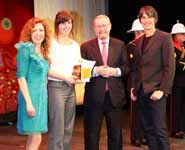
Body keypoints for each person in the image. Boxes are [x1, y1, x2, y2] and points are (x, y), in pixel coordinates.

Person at [80, 14, 129, 150]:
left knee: (115, 136)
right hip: (93, 98)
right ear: (94, 28)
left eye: (104, 25)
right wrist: (96, 70)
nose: (102, 29)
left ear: (110, 26)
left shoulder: (120, 45)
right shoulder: (85, 46)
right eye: (98, 26)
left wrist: (115, 71)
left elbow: (126, 68)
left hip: (115, 98)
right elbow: (81, 71)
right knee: (91, 136)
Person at [130, 5, 175, 150]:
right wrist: (133, 88)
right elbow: (136, 69)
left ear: (154, 19)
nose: (146, 20)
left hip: (157, 90)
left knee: (159, 129)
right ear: (140, 20)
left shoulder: (165, 37)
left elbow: (169, 67)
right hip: (141, 91)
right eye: (143, 17)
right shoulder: (138, 41)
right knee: (147, 129)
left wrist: (162, 90)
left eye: (149, 16)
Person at [15, 17, 51, 150]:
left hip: (41, 98)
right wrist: (29, 103)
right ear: (29, 33)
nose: (38, 33)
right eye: (34, 30)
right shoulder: (25, 49)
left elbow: (45, 75)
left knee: (33, 136)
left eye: (41, 30)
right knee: (36, 137)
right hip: (30, 97)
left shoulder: (42, 52)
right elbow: (21, 77)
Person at [48, 10, 81, 150]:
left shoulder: (75, 45)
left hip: (70, 88)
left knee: (68, 128)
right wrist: (65, 77)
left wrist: (78, 76)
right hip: (56, 88)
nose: (66, 26)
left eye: (69, 23)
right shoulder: (51, 43)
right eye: (63, 23)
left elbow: (77, 66)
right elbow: (46, 69)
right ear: (57, 25)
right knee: (57, 129)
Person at [126, 18, 146, 147]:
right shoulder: (131, 46)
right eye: (137, 32)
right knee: (136, 113)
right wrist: (133, 86)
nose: (138, 34)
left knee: (145, 111)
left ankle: (143, 136)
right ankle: (135, 137)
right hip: (135, 82)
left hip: (147, 83)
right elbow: (131, 68)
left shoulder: (148, 44)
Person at [170, 21, 185, 139]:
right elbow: (174, 65)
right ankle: (175, 129)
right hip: (176, 81)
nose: (184, 36)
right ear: (176, 35)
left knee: (183, 106)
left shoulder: (183, 47)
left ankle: (182, 128)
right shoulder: (171, 47)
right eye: (182, 34)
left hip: (183, 81)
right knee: (176, 106)